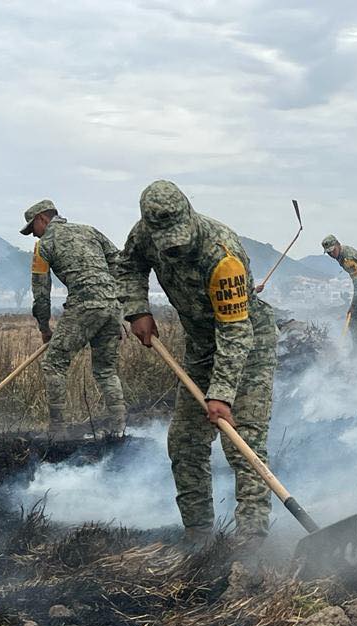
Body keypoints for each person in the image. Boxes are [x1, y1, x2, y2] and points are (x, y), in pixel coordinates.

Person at [116, 180, 277, 549]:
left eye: (180, 236)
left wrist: (221, 395)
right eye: (165, 239)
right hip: (202, 347)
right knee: (185, 442)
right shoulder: (144, 233)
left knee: (244, 444)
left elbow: (236, 333)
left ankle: (251, 543)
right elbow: (129, 266)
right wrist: (137, 309)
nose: (175, 246)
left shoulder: (223, 256)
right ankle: (199, 539)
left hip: (247, 347)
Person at [20, 199, 126, 437]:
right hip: (112, 308)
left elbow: (41, 291)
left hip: (84, 307)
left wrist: (44, 327)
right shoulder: (89, 230)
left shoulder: (43, 245)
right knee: (106, 370)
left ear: (42, 219)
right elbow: (118, 262)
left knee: (53, 364)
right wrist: (117, 302)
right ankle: (119, 427)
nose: (33, 236)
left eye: (32, 229)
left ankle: (58, 430)